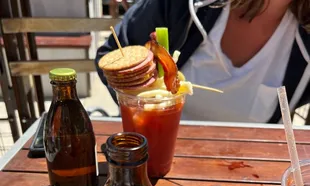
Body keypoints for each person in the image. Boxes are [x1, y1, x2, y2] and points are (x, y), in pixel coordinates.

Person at [96, 0, 310, 123]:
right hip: (151, 165)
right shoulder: (181, 5)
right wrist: (142, 108)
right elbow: (114, 53)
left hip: (246, 180)